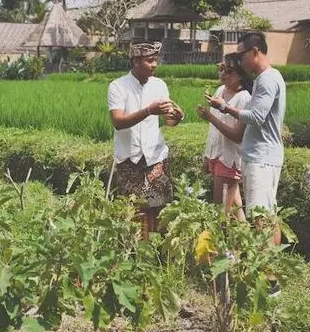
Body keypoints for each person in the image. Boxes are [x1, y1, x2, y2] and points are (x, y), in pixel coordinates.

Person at [206, 32, 286, 245]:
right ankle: (269, 269)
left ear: (255, 51)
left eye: (242, 56)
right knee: (265, 212)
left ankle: (268, 271)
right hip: (258, 156)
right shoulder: (266, 78)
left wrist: (224, 107)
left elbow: (257, 117)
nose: (240, 61)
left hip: (262, 156)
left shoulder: (267, 79)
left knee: (262, 216)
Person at [108, 41, 183, 238]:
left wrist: (176, 117)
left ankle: (160, 259)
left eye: (156, 60)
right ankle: (136, 259)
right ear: (135, 61)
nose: (155, 64)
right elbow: (118, 122)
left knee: (159, 210)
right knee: (133, 212)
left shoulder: (159, 85)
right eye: (150, 60)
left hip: (155, 158)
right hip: (129, 160)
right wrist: (149, 110)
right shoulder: (118, 86)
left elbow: (168, 121)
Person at [196, 53, 253, 220]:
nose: (222, 74)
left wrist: (210, 117)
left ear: (241, 75)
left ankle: (221, 245)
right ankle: (248, 243)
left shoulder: (245, 99)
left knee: (220, 211)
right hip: (217, 154)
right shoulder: (221, 90)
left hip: (229, 158)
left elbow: (237, 136)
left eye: (228, 71)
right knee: (235, 207)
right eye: (221, 69)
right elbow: (215, 132)